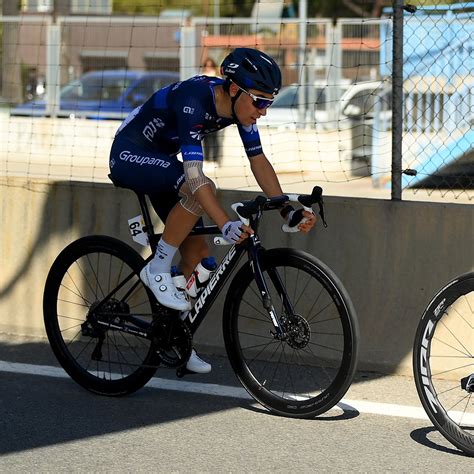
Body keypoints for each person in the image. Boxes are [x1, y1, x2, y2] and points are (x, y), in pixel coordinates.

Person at [109, 48, 316, 373]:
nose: (263, 111)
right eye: (260, 101)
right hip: (130, 153)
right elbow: (193, 176)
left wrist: (286, 210)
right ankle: (156, 268)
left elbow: (258, 161)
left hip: (163, 161)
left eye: (269, 103)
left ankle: (174, 338)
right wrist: (225, 224)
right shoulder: (194, 99)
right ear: (234, 88)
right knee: (198, 187)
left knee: (199, 257)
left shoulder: (240, 108)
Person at [201, 57, 222, 164]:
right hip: (204, 112)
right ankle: (207, 159)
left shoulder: (218, 79)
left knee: (216, 137)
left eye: (210, 66)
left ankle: (215, 160)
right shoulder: (200, 78)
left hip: (216, 113)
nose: (208, 68)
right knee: (205, 137)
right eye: (206, 66)